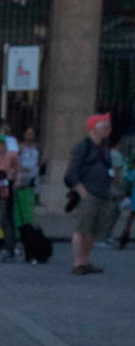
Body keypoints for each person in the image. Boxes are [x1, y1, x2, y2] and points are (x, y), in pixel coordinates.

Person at [64, 112, 118, 275]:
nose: (109, 130)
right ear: (94, 129)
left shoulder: (104, 148)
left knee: (93, 230)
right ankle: (78, 262)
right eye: (105, 127)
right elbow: (71, 174)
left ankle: (86, 260)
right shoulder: (83, 147)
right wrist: (83, 192)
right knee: (82, 228)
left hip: (102, 194)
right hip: (89, 195)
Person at [14, 124, 40, 233]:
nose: (30, 136)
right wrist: (21, 169)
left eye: (32, 133)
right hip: (22, 177)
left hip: (33, 178)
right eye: (28, 133)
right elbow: (15, 160)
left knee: (30, 204)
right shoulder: (20, 147)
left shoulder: (36, 147)